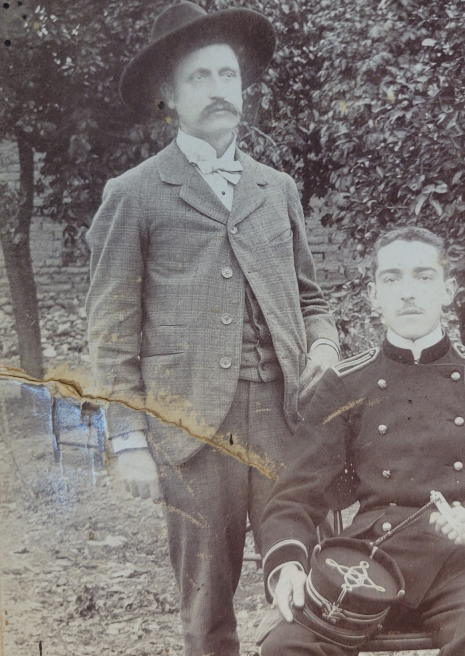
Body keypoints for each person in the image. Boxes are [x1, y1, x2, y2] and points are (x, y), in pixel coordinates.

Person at [85, 4, 339, 655]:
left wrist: (326, 342)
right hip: (192, 429)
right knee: (207, 600)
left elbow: (312, 296)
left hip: (285, 419)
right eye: (200, 77)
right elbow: (110, 330)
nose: (221, 89)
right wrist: (128, 440)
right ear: (168, 96)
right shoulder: (135, 194)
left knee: (308, 580)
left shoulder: (276, 189)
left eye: (229, 74)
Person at [257, 227, 465, 655]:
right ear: (375, 295)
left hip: (460, 565)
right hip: (368, 560)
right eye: (393, 279)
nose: (408, 293)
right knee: (286, 646)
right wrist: (287, 564)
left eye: (423, 276)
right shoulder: (344, 383)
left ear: (448, 291)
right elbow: (293, 496)